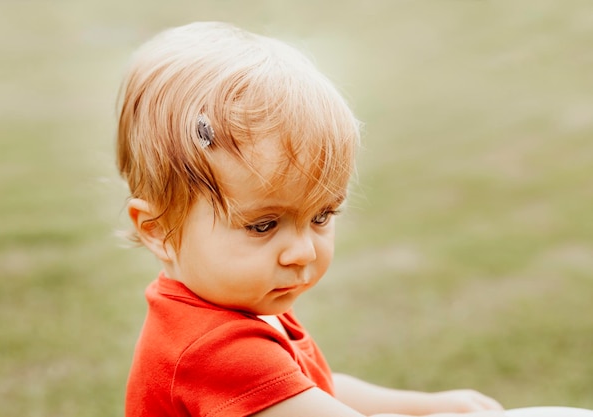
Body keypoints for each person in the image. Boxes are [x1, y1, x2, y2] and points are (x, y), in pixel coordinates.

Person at [116, 21, 505, 417]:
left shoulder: (230, 306)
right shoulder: (213, 351)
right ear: (159, 229)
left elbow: (313, 387)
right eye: (263, 225)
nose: (301, 252)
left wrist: (425, 406)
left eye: (321, 215)